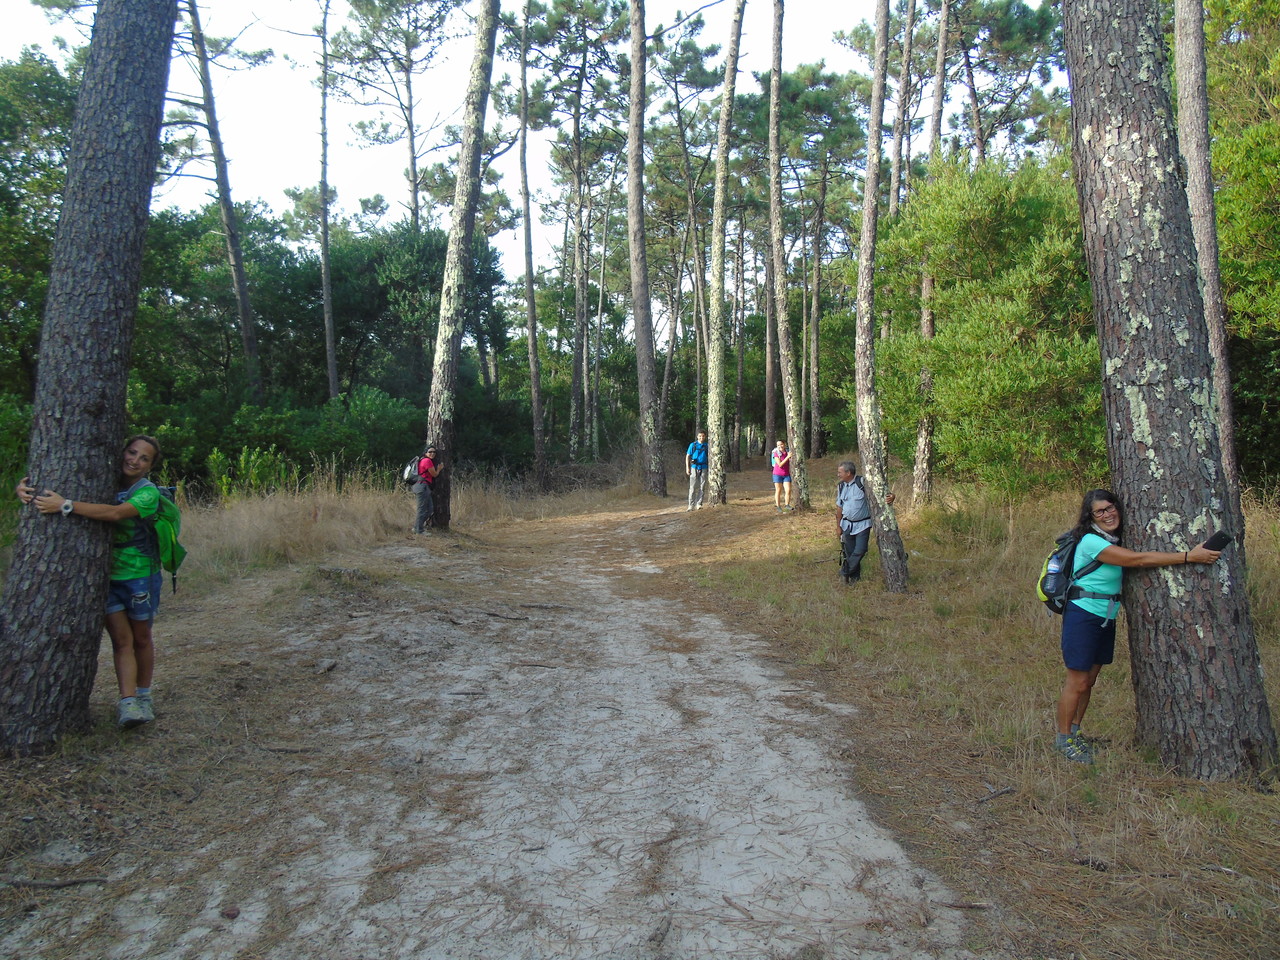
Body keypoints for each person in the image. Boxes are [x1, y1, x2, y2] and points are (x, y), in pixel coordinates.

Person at [1053, 488, 1223, 764]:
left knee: (1089, 680)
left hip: (1104, 616)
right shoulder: (1091, 542)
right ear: (1090, 517)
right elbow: (1136, 560)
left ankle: (1074, 732)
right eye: (1100, 511)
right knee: (1078, 681)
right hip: (1082, 615)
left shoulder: (1110, 538)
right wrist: (1188, 557)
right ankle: (1063, 741)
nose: (1107, 514)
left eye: (1110, 508)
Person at [16, 435, 167, 729]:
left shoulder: (147, 493)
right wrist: (24, 490)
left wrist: (65, 505)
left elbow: (115, 513)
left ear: (150, 466)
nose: (134, 460)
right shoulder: (102, 479)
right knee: (121, 641)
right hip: (106, 578)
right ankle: (128, 703)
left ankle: (144, 696)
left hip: (139, 577)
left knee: (141, 638)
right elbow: (46, 488)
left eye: (144, 458)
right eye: (131, 452)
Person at [834, 460, 894, 585]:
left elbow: (880, 494)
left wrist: (891, 497)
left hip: (863, 524)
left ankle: (845, 571)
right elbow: (839, 508)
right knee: (849, 552)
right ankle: (854, 580)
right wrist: (838, 526)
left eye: (840, 472)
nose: (838, 475)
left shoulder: (862, 483)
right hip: (847, 525)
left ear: (848, 473)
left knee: (861, 549)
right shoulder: (841, 486)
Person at [413, 443, 442, 534]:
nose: (432, 454)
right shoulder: (427, 461)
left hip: (423, 486)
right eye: (430, 452)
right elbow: (434, 474)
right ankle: (419, 530)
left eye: (434, 452)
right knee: (422, 509)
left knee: (429, 509)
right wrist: (439, 469)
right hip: (422, 486)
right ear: (425, 453)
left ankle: (417, 527)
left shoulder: (423, 460)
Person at [685, 429, 708, 511]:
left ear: (705, 437)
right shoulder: (693, 445)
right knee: (692, 487)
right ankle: (691, 505)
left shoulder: (707, 446)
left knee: (702, 486)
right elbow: (688, 456)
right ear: (697, 436)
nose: (701, 438)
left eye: (703, 436)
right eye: (700, 436)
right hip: (694, 467)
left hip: (704, 467)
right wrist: (687, 467)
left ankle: (699, 504)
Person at [771, 439, 792, 512]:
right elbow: (780, 464)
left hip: (786, 474)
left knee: (788, 490)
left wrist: (789, 456)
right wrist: (788, 457)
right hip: (777, 474)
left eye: (781, 444)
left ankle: (787, 505)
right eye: (778, 445)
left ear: (784, 444)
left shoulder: (788, 452)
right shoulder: (776, 453)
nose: (780, 446)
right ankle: (778, 506)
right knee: (778, 490)